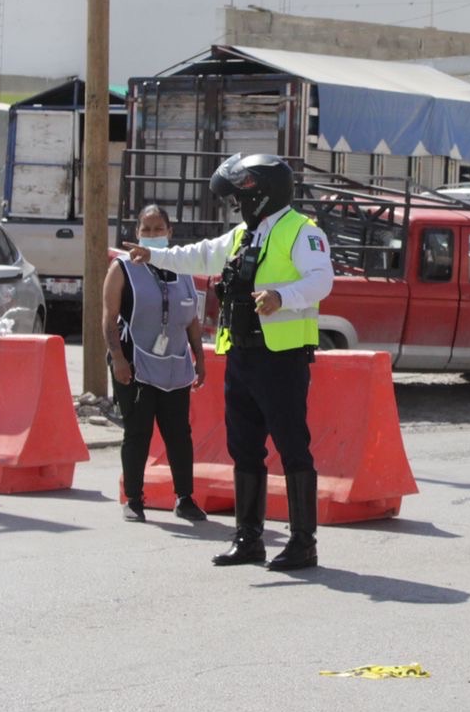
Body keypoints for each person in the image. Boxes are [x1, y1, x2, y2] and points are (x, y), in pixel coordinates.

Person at [126, 152, 333, 571]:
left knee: (293, 447)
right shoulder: (244, 234)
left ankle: (302, 543)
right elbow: (199, 256)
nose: (236, 205)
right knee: (244, 448)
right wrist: (154, 256)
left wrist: (281, 297)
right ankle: (249, 539)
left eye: (240, 197)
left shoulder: (302, 232)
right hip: (241, 354)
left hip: (282, 357)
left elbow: (321, 279)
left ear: (263, 194)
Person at [102, 205, 208, 523]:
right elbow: (108, 318)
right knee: (138, 432)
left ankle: (185, 498)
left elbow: (191, 319)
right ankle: (134, 499)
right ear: (137, 233)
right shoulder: (122, 268)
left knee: (179, 433)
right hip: (134, 363)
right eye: (146, 230)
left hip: (175, 364)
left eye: (158, 228)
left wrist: (199, 357)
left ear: (170, 232)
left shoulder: (182, 268)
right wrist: (118, 359)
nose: (152, 235)